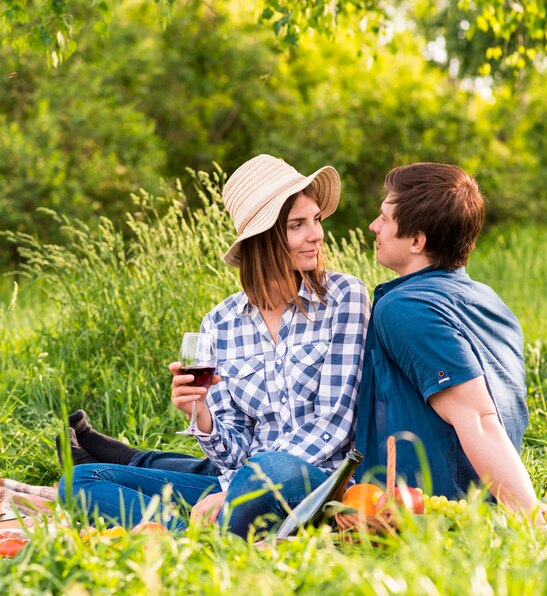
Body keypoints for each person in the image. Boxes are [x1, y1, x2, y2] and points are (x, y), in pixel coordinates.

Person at [58, 154, 370, 537]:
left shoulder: (344, 298)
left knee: (273, 466)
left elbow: (333, 425)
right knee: (80, 480)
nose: (317, 234)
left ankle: (204, 531)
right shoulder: (220, 324)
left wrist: (234, 491)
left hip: (311, 484)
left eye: (316, 220)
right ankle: (188, 537)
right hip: (237, 487)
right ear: (264, 238)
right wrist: (202, 416)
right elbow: (233, 452)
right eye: (298, 225)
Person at [354, 162, 542, 521]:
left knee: (269, 477)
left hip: (431, 504)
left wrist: (531, 516)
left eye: (385, 218)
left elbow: (480, 418)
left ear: (416, 241)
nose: (373, 226)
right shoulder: (486, 299)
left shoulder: (405, 307)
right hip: (481, 492)